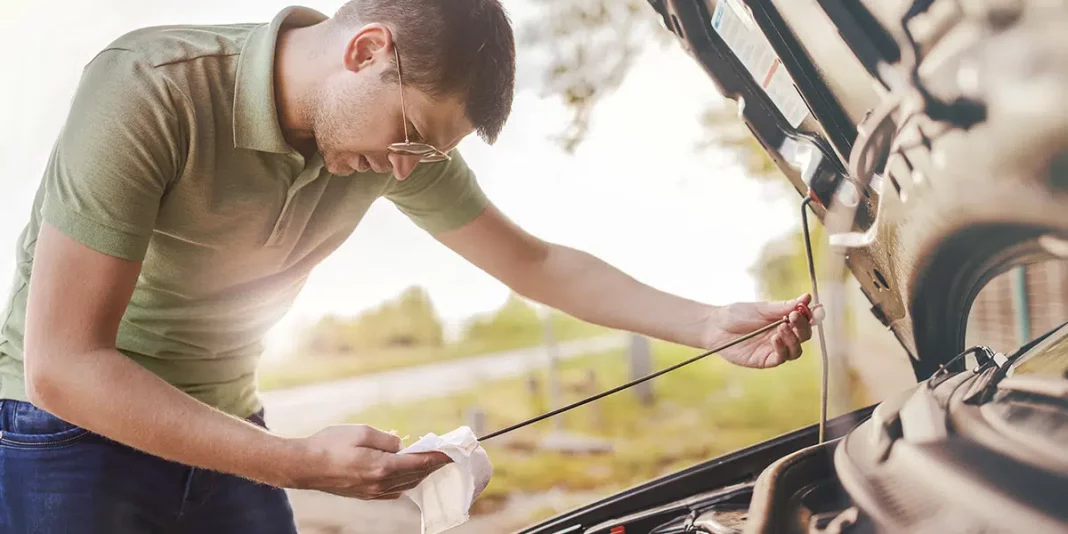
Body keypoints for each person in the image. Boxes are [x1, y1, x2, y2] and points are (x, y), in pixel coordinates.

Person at [0, 1, 820, 532]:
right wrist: (294, 462)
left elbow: (534, 262)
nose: (405, 169)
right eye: (408, 135)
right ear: (366, 50)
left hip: (229, 425)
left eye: (423, 151)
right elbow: (66, 365)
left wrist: (706, 324)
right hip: (66, 434)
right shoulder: (150, 89)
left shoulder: (394, 144)